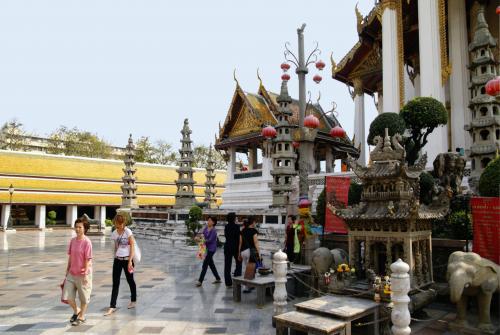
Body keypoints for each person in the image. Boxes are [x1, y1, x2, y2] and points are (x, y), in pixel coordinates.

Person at [104, 213, 137, 316]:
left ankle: (133, 300)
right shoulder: (114, 233)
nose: (120, 226)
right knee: (115, 283)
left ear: (124, 223)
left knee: (130, 280)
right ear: (115, 223)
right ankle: (112, 306)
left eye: (122, 224)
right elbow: (114, 247)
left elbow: (132, 246)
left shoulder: (128, 231)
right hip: (117, 260)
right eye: (118, 224)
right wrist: (115, 257)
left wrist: (130, 261)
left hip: (128, 260)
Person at [63, 218, 93, 326]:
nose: (78, 229)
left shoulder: (87, 242)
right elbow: (70, 256)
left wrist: (85, 274)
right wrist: (67, 270)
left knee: (83, 297)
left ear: (85, 229)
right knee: (68, 297)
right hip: (72, 273)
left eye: (80, 227)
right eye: (76, 227)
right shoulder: (72, 241)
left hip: (83, 273)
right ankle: (77, 310)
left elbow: (88, 259)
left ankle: (82, 316)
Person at [196, 216, 222, 287]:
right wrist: (198, 237)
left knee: (205, 264)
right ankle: (218, 278)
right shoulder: (205, 228)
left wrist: (200, 240)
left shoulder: (214, 231)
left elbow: (210, 240)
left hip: (211, 249)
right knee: (211, 264)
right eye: (208, 220)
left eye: (210, 220)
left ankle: (200, 281)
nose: (208, 222)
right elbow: (202, 234)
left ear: (213, 222)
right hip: (205, 248)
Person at [238, 216, 260, 293]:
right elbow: (256, 242)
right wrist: (259, 253)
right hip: (250, 252)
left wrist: (238, 253)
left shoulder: (243, 230)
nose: (255, 223)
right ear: (253, 222)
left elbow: (240, 243)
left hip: (243, 252)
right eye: (255, 222)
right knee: (250, 269)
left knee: (247, 268)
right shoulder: (254, 231)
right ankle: (246, 287)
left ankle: (250, 285)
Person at [223, 212, 242, 288]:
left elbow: (226, 236)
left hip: (227, 246)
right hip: (235, 247)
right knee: (238, 263)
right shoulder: (237, 227)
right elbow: (238, 238)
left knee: (227, 265)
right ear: (234, 218)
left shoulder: (226, 227)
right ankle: (237, 279)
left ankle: (228, 283)